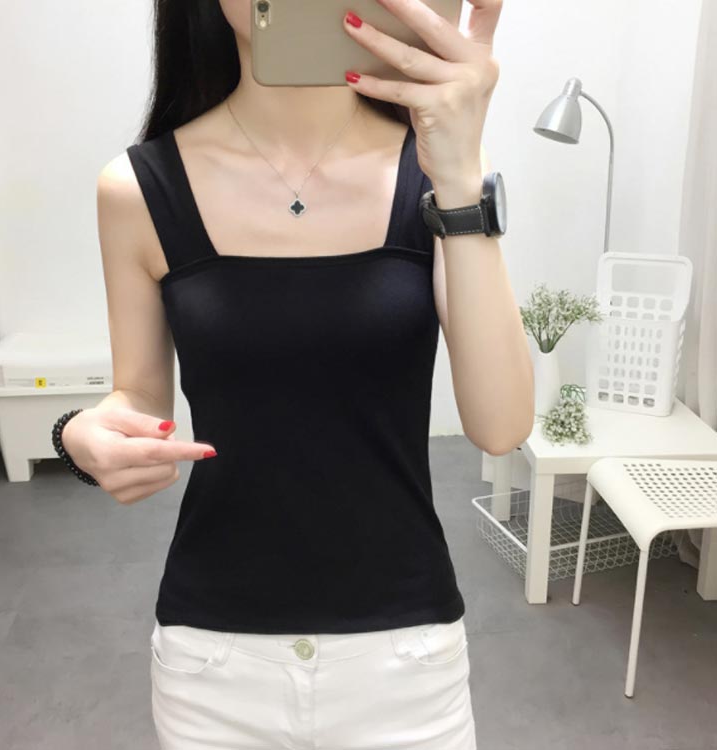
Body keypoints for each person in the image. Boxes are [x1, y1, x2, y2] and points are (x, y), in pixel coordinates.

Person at [58, 0, 531, 747]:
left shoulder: (433, 177)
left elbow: (501, 426)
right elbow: (138, 396)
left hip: (405, 660)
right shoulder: (139, 189)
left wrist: (461, 173)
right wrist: (81, 432)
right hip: (214, 664)